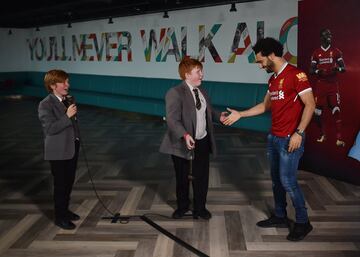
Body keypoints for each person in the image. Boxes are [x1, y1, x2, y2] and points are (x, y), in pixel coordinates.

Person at [223, 38, 315, 241]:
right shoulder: (273, 79)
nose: (259, 64)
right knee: (276, 181)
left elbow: (310, 104)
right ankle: (280, 216)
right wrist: (241, 114)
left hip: (290, 138)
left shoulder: (296, 75)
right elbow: (265, 107)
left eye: (260, 60)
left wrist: (299, 133)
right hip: (274, 137)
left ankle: (303, 221)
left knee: (288, 181)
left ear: (271, 55)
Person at [160, 57, 227, 220]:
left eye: (201, 71)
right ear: (187, 74)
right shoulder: (175, 92)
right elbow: (172, 119)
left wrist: (220, 117)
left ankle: (200, 208)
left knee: (202, 176)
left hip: (202, 139)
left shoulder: (202, 91)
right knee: (182, 176)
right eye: (198, 72)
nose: (202, 75)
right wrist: (185, 134)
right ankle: (182, 207)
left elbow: (208, 112)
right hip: (182, 141)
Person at [38, 69, 80, 230]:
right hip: (58, 151)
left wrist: (76, 138)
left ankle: (65, 210)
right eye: (64, 82)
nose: (67, 85)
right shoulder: (45, 104)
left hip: (72, 146)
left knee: (69, 182)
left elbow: (73, 123)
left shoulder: (68, 99)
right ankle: (60, 217)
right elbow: (50, 129)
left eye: (67, 81)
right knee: (61, 184)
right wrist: (67, 116)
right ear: (53, 85)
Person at [310, 28, 346, 147]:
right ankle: (322, 134)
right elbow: (311, 70)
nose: (329, 36)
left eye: (330, 34)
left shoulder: (336, 51)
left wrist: (337, 69)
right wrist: (318, 71)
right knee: (317, 112)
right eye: (327, 35)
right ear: (321, 37)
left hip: (332, 85)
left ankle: (339, 138)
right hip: (321, 86)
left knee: (336, 109)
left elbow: (343, 68)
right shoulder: (316, 53)